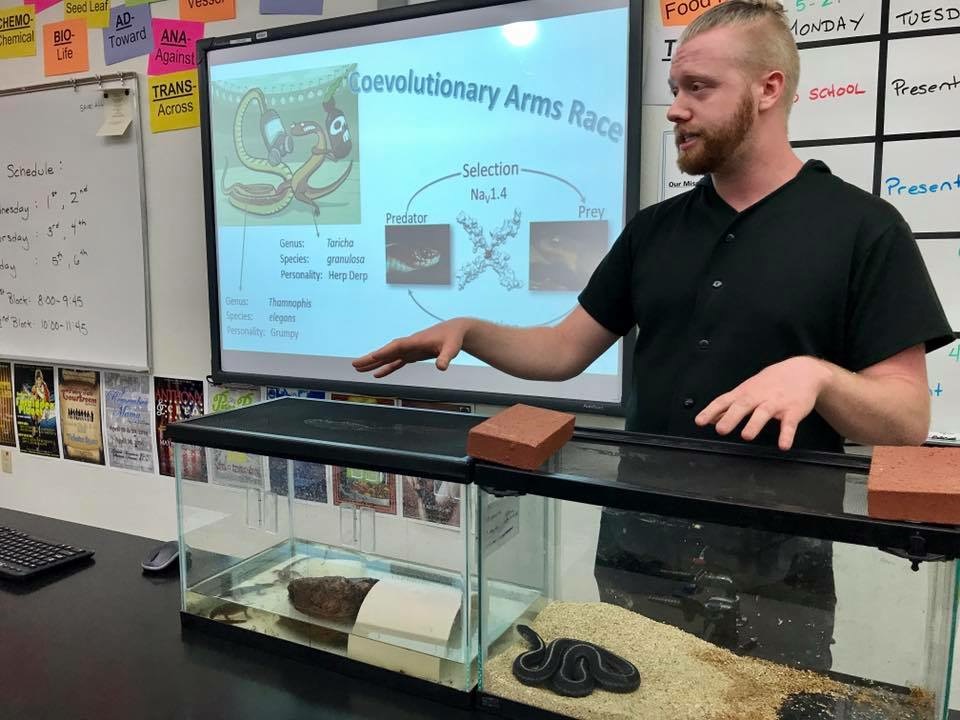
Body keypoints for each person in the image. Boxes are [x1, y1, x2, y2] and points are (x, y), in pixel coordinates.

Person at [354, 1, 954, 669]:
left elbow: (905, 421)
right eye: (675, 89)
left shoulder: (863, 230)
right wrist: (471, 330)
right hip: (639, 555)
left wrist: (819, 375)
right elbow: (561, 351)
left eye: (699, 89)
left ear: (768, 88)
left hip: (776, 573)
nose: (676, 109)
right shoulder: (653, 230)